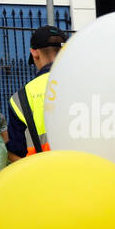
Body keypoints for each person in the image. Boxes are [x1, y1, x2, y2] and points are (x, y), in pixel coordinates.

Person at [6, 25, 68, 160]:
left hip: (45, 175)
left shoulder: (21, 98)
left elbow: (17, 153)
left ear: (34, 53)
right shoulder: (87, 82)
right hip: (89, 172)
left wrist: (2, 143)